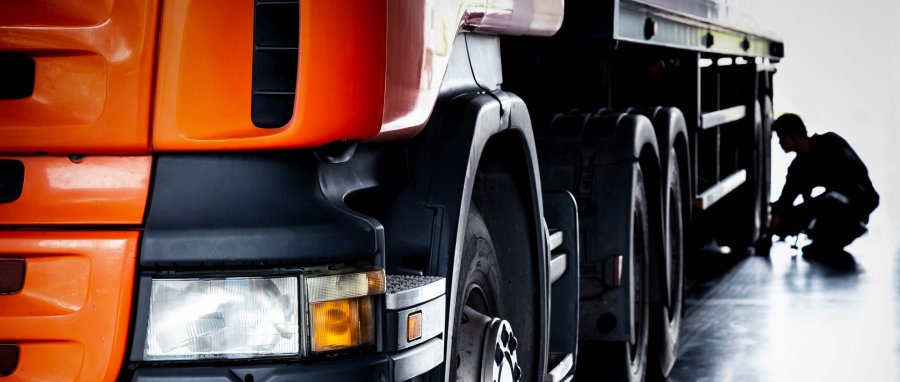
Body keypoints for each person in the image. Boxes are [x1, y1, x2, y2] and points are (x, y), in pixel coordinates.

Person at [757, 113, 879, 255]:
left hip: (860, 198)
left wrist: (814, 183)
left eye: (780, 137)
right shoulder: (797, 168)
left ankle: (849, 228)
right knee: (785, 221)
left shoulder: (830, 142)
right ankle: (824, 238)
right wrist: (769, 237)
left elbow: (857, 172)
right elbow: (785, 202)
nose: (779, 143)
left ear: (792, 136)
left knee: (832, 202)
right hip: (831, 201)